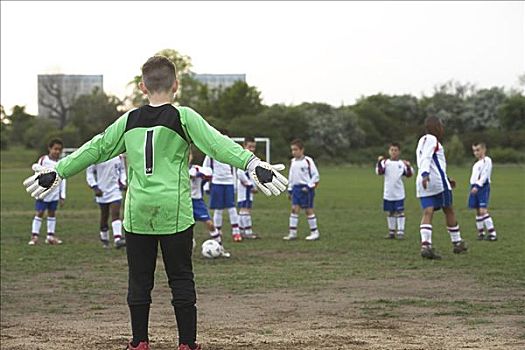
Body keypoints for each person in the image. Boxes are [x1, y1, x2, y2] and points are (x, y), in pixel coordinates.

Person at [23, 56, 287, 350]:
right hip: (174, 213)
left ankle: (139, 342)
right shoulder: (183, 117)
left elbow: (95, 148)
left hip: (137, 214)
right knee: (181, 279)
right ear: (176, 85)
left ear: (142, 87)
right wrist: (251, 163)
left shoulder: (128, 120)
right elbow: (217, 143)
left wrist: (59, 171)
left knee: (139, 281)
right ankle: (186, 344)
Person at [416, 116, 468, 259]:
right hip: (436, 182)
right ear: (436, 127)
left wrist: (443, 176)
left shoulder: (421, 141)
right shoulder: (433, 140)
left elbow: (431, 162)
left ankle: (425, 245)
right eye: (441, 125)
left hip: (422, 181)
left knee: (428, 211)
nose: (442, 128)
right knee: (448, 209)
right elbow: (427, 158)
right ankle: (457, 242)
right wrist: (428, 174)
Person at [189, 150, 231, 257]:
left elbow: (209, 172)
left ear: (191, 156)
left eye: (188, 155)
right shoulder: (177, 169)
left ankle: (221, 248)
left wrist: (198, 174)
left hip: (197, 201)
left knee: (210, 224)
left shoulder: (196, 168)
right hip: (184, 202)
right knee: (186, 228)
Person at [203, 131, 242, 242]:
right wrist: (206, 186)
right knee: (218, 209)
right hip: (216, 183)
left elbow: (233, 169)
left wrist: (234, 185)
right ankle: (218, 232)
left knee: (232, 208)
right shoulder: (210, 153)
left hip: (228, 183)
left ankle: (236, 232)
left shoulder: (230, 153)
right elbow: (205, 169)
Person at [28, 138, 66, 245]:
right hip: (43, 193)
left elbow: (63, 179)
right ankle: (34, 236)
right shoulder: (44, 160)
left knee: (52, 213)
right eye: (55, 149)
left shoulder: (62, 163)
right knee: (39, 213)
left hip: (54, 193)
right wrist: (37, 188)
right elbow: (36, 173)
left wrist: (62, 195)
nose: (57, 151)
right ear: (50, 149)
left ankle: (50, 236)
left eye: (59, 149)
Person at [283, 139, 321, 241]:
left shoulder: (308, 161)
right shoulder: (293, 162)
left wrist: (309, 186)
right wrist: (290, 190)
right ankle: (292, 233)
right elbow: (291, 177)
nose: (294, 152)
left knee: (308, 210)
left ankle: (314, 232)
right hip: (296, 189)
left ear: (302, 150)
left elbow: (316, 175)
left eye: (296, 149)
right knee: (294, 209)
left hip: (306, 189)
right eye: (292, 150)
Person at [86, 155, 127, 248]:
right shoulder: (96, 156)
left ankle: (118, 239)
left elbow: (122, 171)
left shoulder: (119, 157)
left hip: (115, 190)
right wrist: (95, 187)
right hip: (102, 191)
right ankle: (104, 238)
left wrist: (123, 182)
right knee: (104, 216)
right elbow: (89, 173)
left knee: (116, 213)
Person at [376, 143, 413, 239]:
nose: (393, 152)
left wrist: (408, 166)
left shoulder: (402, 163)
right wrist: (379, 161)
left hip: (399, 193)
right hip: (388, 193)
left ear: (399, 152)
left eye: (395, 150)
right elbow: (380, 172)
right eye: (392, 150)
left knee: (400, 212)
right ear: (389, 151)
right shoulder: (385, 162)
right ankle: (391, 232)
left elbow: (409, 175)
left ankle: (400, 232)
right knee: (390, 212)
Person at [469, 142, 497, 241]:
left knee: (482, 210)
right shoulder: (476, 164)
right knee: (477, 210)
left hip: (482, 187)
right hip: (474, 186)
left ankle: (492, 233)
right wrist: (473, 185)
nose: (476, 153)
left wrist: (477, 186)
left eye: (478, 150)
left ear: (484, 150)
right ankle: (481, 233)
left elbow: (485, 175)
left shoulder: (487, 160)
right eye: (474, 151)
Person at [237, 137, 258, 239]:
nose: (252, 149)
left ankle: (240, 230)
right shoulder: (243, 157)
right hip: (245, 189)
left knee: (244, 209)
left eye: (253, 147)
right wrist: (250, 185)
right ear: (244, 146)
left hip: (249, 189)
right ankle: (248, 231)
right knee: (245, 209)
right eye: (250, 146)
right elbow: (240, 173)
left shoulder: (252, 158)